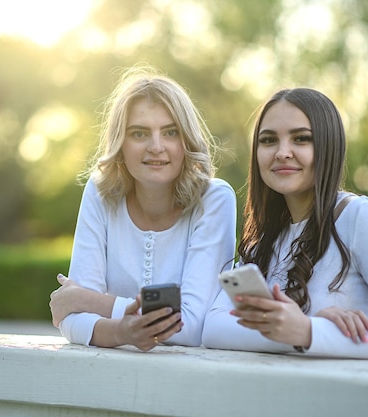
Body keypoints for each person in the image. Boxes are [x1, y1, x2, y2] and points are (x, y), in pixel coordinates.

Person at [202, 87, 368, 362]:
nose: (282, 152)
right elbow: (214, 329)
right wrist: (301, 331)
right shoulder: (264, 239)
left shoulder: (359, 218)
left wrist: (308, 332)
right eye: (268, 140)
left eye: (301, 139)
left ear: (328, 146)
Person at [49, 66, 237, 351]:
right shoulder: (100, 192)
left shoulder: (214, 199)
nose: (156, 146)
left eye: (171, 132)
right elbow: (71, 320)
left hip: (191, 381)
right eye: (139, 134)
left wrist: (89, 301)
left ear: (186, 140)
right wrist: (121, 333)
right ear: (120, 143)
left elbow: (192, 327)